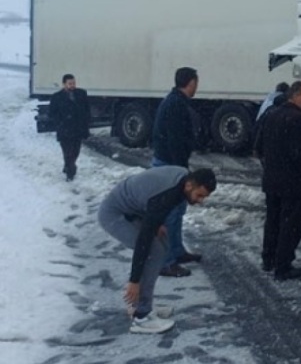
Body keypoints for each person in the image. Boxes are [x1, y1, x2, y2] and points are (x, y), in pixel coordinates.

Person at [97, 166, 216, 334]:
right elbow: (142, 243)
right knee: (153, 250)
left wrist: (155, 220)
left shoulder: (183, 180)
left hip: (134, 211)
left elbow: (150, 197)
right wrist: (134, 281)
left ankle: (144, 304)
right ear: (189, 186)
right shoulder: (168, 194)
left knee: (163, 244)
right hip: (114, 214)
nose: (201, 201)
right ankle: (141, 316)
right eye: (200, 195)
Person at [255, 81, 301, 281]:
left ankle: (269, 258)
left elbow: (258, 147)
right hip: (293, 183)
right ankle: (283, 266)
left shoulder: (271, 114)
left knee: (273, 221)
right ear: (294, 96)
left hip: (273, 180)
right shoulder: (297, 119)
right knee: (290, 225)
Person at [152, 67, 202, 277]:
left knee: (178, 211)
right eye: (196, 82)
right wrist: (180, 170)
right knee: (170, 214)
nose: (197, 86)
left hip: (172, 163)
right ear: (190, 82)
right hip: (170, 166)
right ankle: (166, 262)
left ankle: (177, 251)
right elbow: (174, 139)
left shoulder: (175, 101)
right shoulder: (175, 105)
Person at [48, 73, 91, 181]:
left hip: (78, 129)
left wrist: (86, 125)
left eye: (74, 83)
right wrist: (61, 122)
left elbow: (86, 111)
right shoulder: (57, 97)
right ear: (64, 84)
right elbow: (51, 113)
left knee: (76, 151)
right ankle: (70, 173)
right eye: (70, 83)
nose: (72, 85)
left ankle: (68, 166)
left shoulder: (81, 93)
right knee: (68, 152)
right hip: (65, 130)